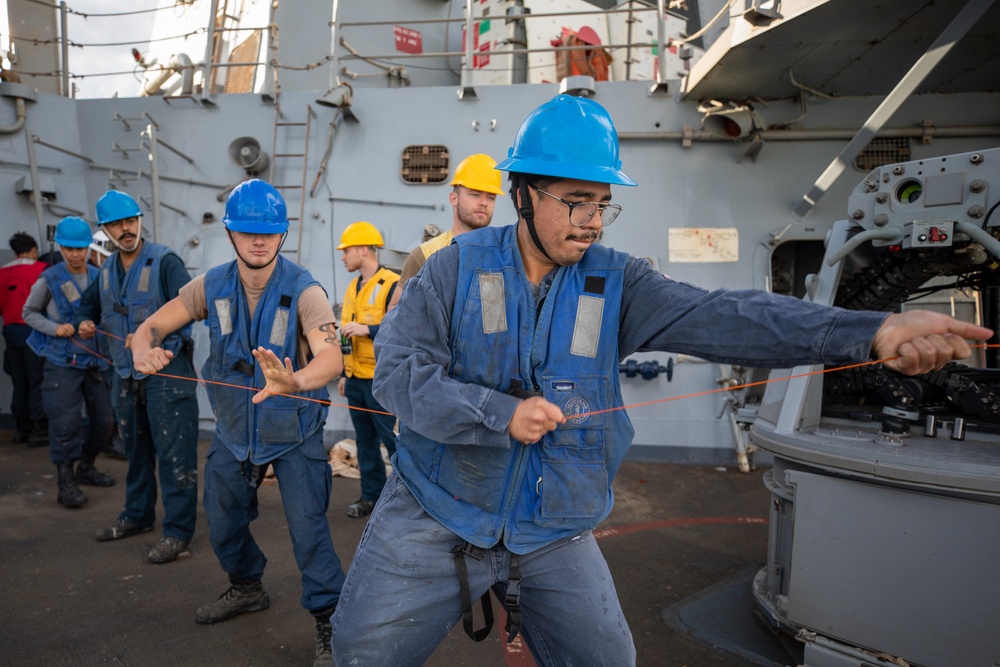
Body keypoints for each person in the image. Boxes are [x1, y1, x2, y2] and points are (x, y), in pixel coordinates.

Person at [329, 94, 994, 666]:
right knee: (360, 652)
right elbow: (398, 376)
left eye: (603, 203)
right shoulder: (450, 269)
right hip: (434, 509)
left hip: (555, 523)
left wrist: (871, 332)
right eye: (577, 201)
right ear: (524, 194)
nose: (592, 219)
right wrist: (495, 411)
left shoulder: (617, 280)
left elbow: (725, 315)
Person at [131, 179, 346, 667]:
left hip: (294, 434)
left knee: (309, 533)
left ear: (283, 234)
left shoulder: (305, 290)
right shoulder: (210, 285)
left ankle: (329, 620)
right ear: (230, 234)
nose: (258, 241)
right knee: (224, 520)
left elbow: (331, 358)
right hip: (232, 433)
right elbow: (152, 326)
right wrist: (144, 348)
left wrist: (298, 381)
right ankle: (246, 586)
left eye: (268, 232)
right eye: (247, 232)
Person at [75, 189, 199, 564]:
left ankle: (177, 532)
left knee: (175, 456)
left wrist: (151, 336)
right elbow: (89, 304)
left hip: (168, 375)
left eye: (131, 221)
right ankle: (137, 515)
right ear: (106, 230)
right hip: (125, 377)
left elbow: (192, 309)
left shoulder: (165, 261)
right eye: (117, 224)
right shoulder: (108, 271)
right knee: (136, 453)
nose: (126, 229)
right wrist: (83, 320)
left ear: (140, 222)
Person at [23, 217, 116, 508]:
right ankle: (66, 482)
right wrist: (55, 328)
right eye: (68, 249)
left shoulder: (99, 275)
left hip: (95, 362)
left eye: (80, 249)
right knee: (65, 423)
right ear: (60, 248)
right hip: (61, 361)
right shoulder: (48, 279)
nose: (75, 255)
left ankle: (86, 467)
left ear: (88, 248)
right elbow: (29, 312)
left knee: (104, 421)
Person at [336, 221, 399, 518]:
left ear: (363, 249)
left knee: (395, 442)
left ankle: (408, 501)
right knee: (365, 443)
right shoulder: (352, 287)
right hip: (355, 381)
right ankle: (370, 497)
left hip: (381, 381)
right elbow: (344, 332)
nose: (343, 257)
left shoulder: (391, 284)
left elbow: (401, 329)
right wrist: (342, 374)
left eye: (346, 250)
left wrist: (368, 329)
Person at [390, 153, 505, 304]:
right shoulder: (423, 255)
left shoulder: (503, 256)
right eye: (475, 194)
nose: (484, 202)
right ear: (453, 198)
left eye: (491, 197)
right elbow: (395, 309)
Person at [0, 231, 47, 445]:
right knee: (37, 380)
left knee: (19, 381)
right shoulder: (41, 270)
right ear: (34, 249)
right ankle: (38, 430)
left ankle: (21, 428)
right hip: (34, 332)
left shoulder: (2, 272)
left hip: (11, 332)